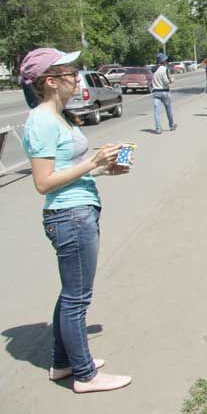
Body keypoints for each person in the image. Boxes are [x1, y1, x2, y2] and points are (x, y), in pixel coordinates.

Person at [20, 48, 133, 393]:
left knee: (72, 294)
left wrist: (103, 166)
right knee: (77, 299)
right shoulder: (40, 120)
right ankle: (85, 375)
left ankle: (62, 362)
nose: (77, 77)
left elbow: (70, 171)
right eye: (70, 72)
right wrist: (91, 162)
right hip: (69, 216)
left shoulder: (59, 117)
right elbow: (43, 182)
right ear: (51, 82)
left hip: (78, 210)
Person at [152, 53, 177, 134]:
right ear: (164, 61)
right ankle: (171, 125)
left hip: (156, 92)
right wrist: (172, 80)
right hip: (164, 92)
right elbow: (166, 81)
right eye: (166, 60)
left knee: (156, 112)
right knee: (168, 110)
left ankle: (158, 129)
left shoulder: (153, 69)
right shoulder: (164, 69)